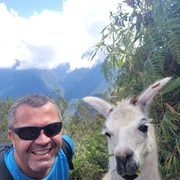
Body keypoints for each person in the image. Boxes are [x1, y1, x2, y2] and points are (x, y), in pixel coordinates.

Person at [3, 94, 74, 180]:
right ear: (12, 138)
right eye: (29, 132)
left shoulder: (66, 148)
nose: (43, 140)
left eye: (52, 128)